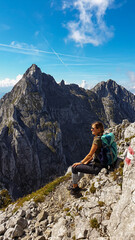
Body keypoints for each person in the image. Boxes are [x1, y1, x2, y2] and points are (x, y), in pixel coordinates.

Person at [68, 121, 104, 195]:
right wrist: (84, 162)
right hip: (101, 163)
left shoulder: (97, 140)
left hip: (98, 167)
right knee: (84, 163)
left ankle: (75, 188)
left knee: (74, 167)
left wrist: (80, 163)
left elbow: (90, 155)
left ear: (98, 129)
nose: (91, 129)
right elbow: (95, 154)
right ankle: (75, 183)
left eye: (93, 128)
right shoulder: (102, 137)